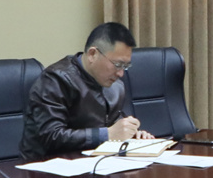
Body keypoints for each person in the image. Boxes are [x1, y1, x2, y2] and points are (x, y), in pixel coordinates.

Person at [21, 22, 143, 158]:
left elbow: (113, 124)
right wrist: (108, 134)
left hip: (97, 162)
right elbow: (51, 135)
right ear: (92, 54)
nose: (121, 73)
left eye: (125, 66)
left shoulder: (115, 86)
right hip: (47, 166)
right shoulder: (56, 79)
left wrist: (131, 132)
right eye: (117, 64)